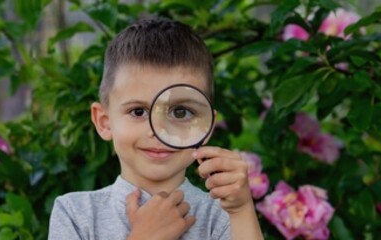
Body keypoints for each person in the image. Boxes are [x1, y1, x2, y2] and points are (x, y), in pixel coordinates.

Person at [48, 16, 263, 239]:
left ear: (207, 125)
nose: (159, 130)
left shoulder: (224, 216)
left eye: (180, 112)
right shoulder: (75, 213)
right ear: (104, 122)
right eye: (138, 111)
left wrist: (241, 211)